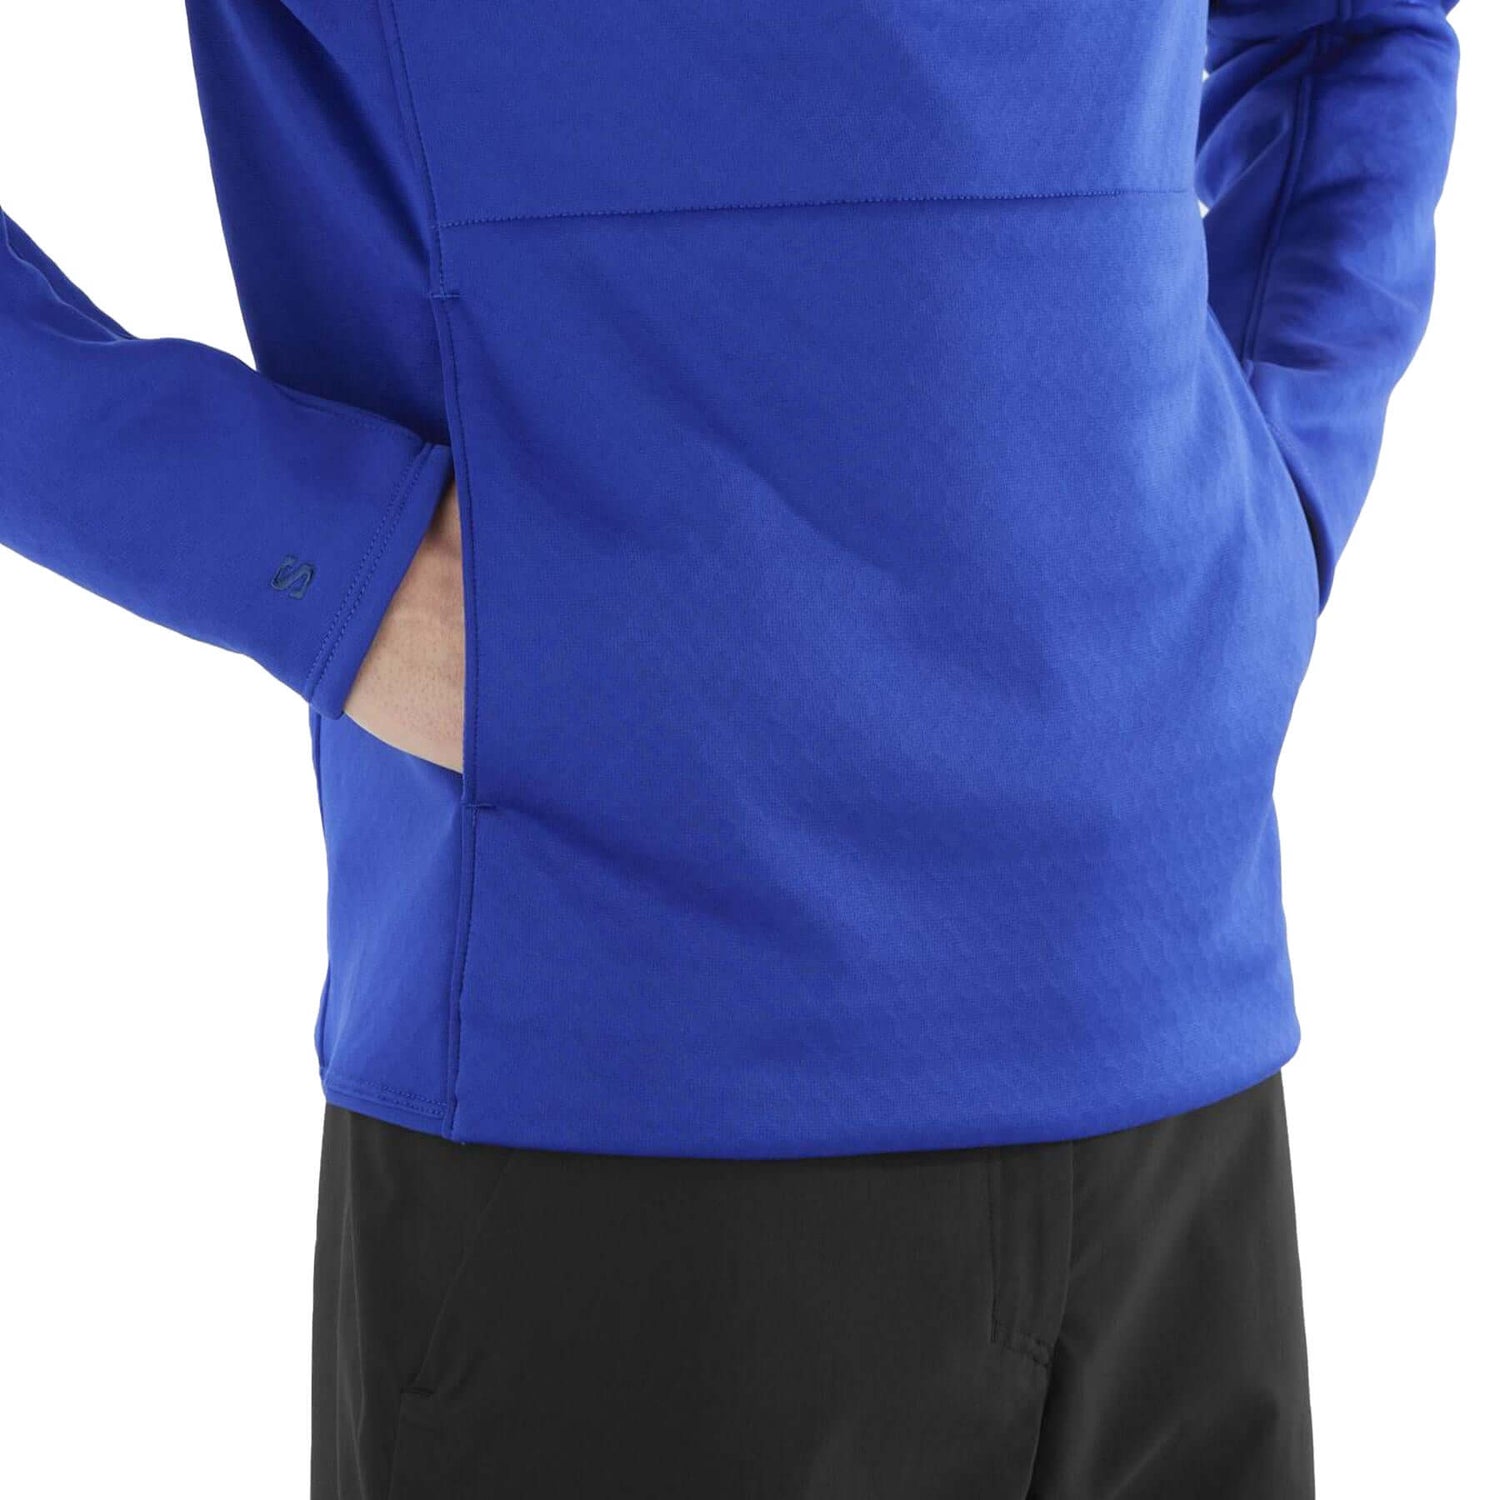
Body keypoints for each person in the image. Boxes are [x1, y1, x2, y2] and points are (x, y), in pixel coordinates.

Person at [0, 2, 1464, 1495]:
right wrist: (325, 561)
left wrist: (1268, 509)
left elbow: (1350, 27)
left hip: (1170, 1039)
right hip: (625, 1070)